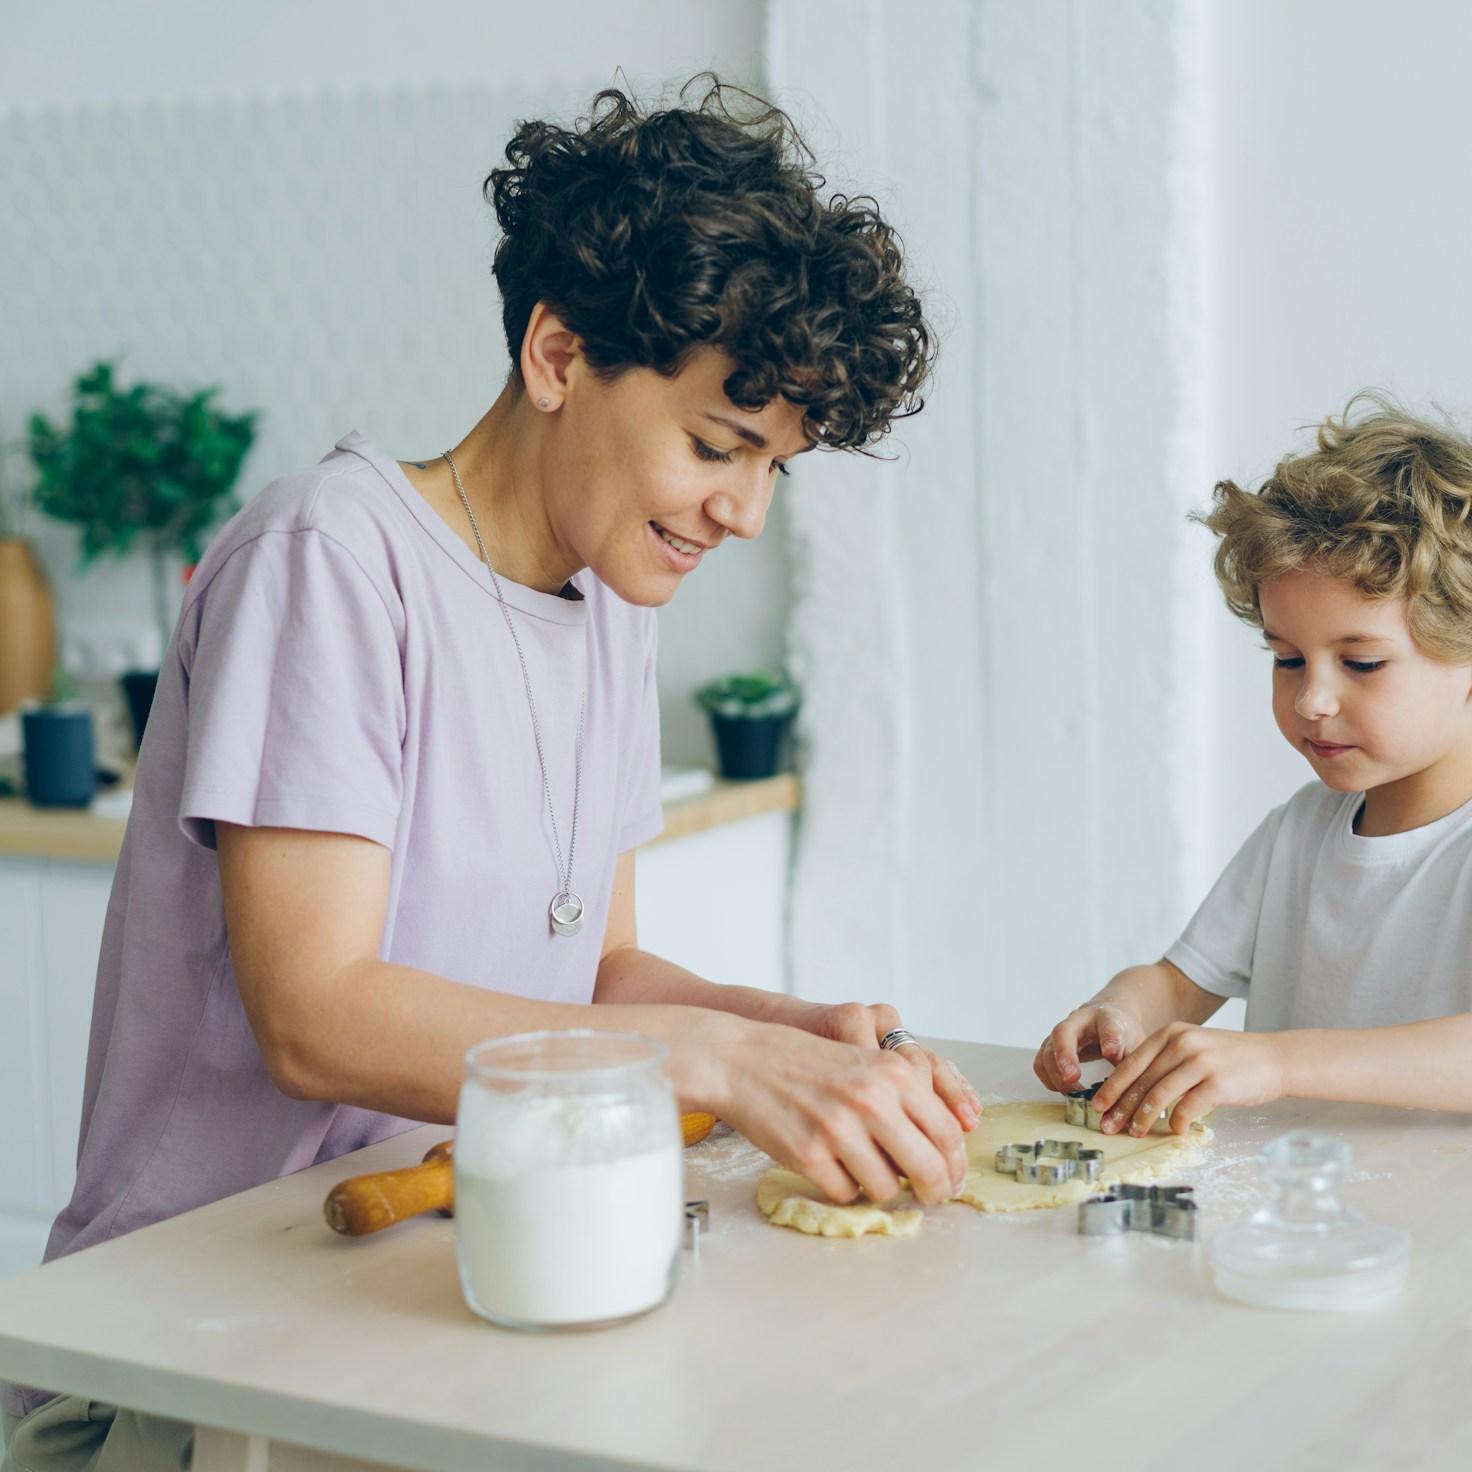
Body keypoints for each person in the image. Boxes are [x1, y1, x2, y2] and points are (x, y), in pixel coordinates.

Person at [2, 76, 980, 1469]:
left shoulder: (611, 612)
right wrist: (712, 1058)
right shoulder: (332, 561)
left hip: (424, 1292)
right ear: (559, 355)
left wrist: (787, 1033)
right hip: (197, 1339)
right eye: (718, 448)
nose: (745, 513)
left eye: (777, 471)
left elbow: (594, 982)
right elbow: (318, 1014)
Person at [1036, 395, 1472, 1136]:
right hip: (1298, 1224)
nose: (1312, 699)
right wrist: (1122, 1011)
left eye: (1361, 663)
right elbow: (1180, 984)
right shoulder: (1301, 831)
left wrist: (1275, 1062)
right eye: (1288, 659)